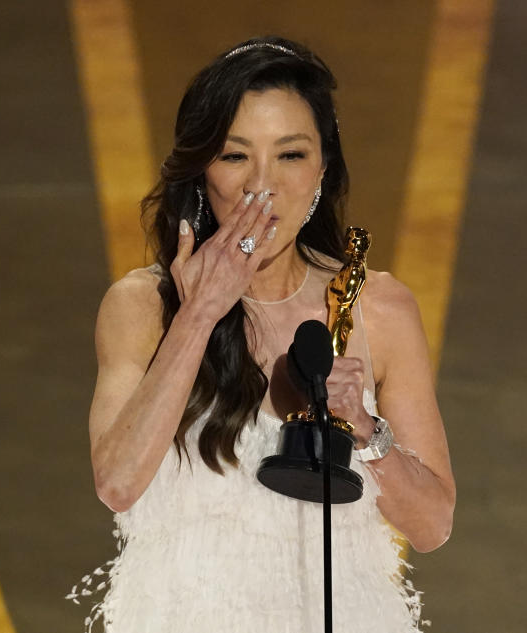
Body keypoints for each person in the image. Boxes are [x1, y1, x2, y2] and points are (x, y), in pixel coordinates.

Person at [70, 36, 455, 632]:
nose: (263, 185)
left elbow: (432, 526)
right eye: (234, 156)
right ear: (201, 171)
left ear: (323, 168)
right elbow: (117, 483)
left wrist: (365, 428)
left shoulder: (378, 307)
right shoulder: (142, 307)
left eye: (291, 155)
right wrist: (200, 314)